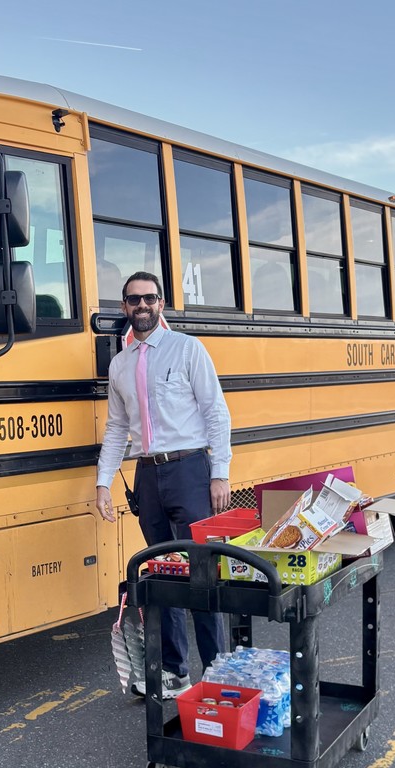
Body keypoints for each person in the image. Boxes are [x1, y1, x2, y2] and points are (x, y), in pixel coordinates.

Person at [96, 271, 232, 699]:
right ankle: (176, 672)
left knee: (202, 573)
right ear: (124, 308)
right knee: (163, 574)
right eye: (133, 300)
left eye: (149, 298)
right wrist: (103, 483)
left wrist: (219, 472)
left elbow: (216, 412)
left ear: (161, 304)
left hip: (191, 469)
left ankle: (217, 671)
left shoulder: (187, 349)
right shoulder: (119, 365)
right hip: (148, 475)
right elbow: (117, 428)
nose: (142, 305)